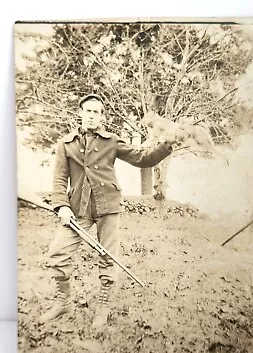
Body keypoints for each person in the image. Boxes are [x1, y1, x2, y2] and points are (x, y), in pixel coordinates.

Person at [39, 94, 179, 328]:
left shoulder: (111, 141)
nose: (91, 115)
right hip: (76, 210)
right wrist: (62, 206)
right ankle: (63, 303)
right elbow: (59, 179)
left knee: (108, 257)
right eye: (88, 111)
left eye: (96, 112)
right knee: (57, 253)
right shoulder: (66, 144)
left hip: (108, 207)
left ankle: (103, 308)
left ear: (101, 116)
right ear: (81, 113)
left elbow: (143, 158)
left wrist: (167, 145)